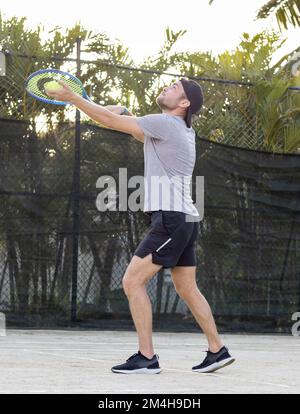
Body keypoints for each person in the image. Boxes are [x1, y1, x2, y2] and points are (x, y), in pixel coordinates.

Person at [46, 78, 235, 374]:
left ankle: (146, 357)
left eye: (174, 87)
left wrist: (73, 99)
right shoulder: (180, 131)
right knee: (187, 288)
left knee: (132, 282)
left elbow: (110, 120)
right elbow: (123, 124)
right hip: (185, 220)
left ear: (184, 103)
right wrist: (118, 111)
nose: (167, 87)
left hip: (171, 220)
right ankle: (217, 350)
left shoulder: (167, 124)